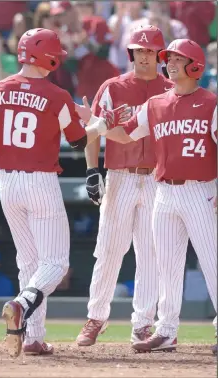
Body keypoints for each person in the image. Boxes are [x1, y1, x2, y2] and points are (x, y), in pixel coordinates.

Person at [0, 28, 117, 358]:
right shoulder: (57, 95)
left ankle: (34, 338)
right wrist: (101, 124)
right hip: (40, 183)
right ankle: (21, 304)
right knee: (55, 263)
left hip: (6, 183)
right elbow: (80, 142)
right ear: (46, 57)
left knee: (29, 262)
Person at [86, 38, 217, 353]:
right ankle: (167, 330)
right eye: (168, 59)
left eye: (177, 59)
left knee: (213, 263)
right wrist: (97, 125)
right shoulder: (156, 104)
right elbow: (126, 134)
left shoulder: (211, 102)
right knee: (167, 266)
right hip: (164, 193)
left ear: (195, 66)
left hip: (201, 190)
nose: (170, 64)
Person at [75, 25, 173, 348]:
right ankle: (96, 317)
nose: (143, 56)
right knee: (108, 249)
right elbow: (92, 129)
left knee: (151, 254)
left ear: (159, 55)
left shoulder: (172, 89)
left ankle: (143, 324)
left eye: (149, 51)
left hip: (157, 179)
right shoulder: (113, 87)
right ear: (130, 53)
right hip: (121, 175)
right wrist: (92, 170)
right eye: (139, 50)